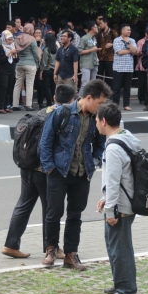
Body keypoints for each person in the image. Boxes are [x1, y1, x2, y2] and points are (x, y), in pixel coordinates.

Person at [40, 79, 111, 270]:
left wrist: (94, 162)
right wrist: (50, 168)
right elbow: (45, 142)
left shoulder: (96, 118)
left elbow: (99, 145)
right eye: (100, 103)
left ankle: (71, 254)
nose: (101, 107)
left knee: (75, 214)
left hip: (82, 173)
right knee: (53, 213)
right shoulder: (61, 113)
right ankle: (50, 249)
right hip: (58, 171)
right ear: (88, 98)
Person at [3, 84, 76, 259]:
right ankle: (51, 247)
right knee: (50, 208)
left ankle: (11, 244)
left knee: (24, 203)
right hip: (44, 169)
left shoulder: (42, 112)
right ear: (72, 101)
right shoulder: (62, 116)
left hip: (27, 165)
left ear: (54, 98)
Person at [95, 103, 140, 294]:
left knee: (120, 248)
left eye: (97, 120)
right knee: (116, 246)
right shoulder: (127, 137)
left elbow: (113, 182)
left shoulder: (114, 147)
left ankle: (126, 291)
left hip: (120, 206)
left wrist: (110, 210)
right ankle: (120, 282)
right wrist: (105, 200)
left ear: (103, 121)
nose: (95, 124)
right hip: (127, 200)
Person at [12, 23, 39, 111]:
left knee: (17, 84)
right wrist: (37, 64)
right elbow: (35, 53)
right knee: (29, 84)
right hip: (30, 64)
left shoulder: (17, 38)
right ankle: (28, 105)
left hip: (19, 63)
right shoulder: (32, 39)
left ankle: (15, 105)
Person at [112, 24, 137, 110]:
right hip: (118, 68)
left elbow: (134, 51)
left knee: (127, 88)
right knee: (116, 88)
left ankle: (126, 105)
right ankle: (115, 104)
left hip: (129, 68)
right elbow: (119, 52)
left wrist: (128, 43)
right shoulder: (116, 40)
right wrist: (130, 51)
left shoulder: (132, 40)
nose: (129, 31)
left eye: (130, 30)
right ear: (122, 31)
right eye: (127, 30)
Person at [0, 30, 18, 114]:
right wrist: (9, 53)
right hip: (3, 71)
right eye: (9, 39)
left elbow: (16, 60)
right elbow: (1, 60)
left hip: (11, 70)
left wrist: (15, 55)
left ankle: (6, 105)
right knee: (3, 88)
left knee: (9, 88)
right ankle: (0, 106)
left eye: (11, 39)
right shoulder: (0, 47)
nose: (10, 41)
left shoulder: (12, 46)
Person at [78, 20, 100, 97]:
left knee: (92, 84)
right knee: (85, 84)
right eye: (96, 27)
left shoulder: (94, 38)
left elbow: (94, 50)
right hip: (86, 64)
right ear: (92, 28)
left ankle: (89, 100)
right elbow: (79, 51)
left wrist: (96, 55)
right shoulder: (84, 38)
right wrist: (91, 50)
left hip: (94, 63)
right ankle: (79, 100)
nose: (98, 28)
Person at [96, 16, 118, 89]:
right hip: (100, 57)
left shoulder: (113, 32)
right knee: (99, 75)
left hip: (110, 58)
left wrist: (112, 44)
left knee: (110, 76)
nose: (100, 25)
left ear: (106, 23)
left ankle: (111, 91)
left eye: (101, 23)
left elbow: (119, 43)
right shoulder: (98, 33)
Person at [135, 26, 148, 106]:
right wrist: (145, 53)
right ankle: (141, 98)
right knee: (142, 83)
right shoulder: (141, 41)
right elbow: (138, 52)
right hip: (142, 65)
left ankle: (147, 99)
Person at [39, 33, 57, 107]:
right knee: (53, 86)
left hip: (46, 70)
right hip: (54, 70)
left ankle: (49, 102)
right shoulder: (57, 49)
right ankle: (53, 101)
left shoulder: (46, 49)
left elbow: (44, 61)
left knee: (46, 87)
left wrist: (41, 71)